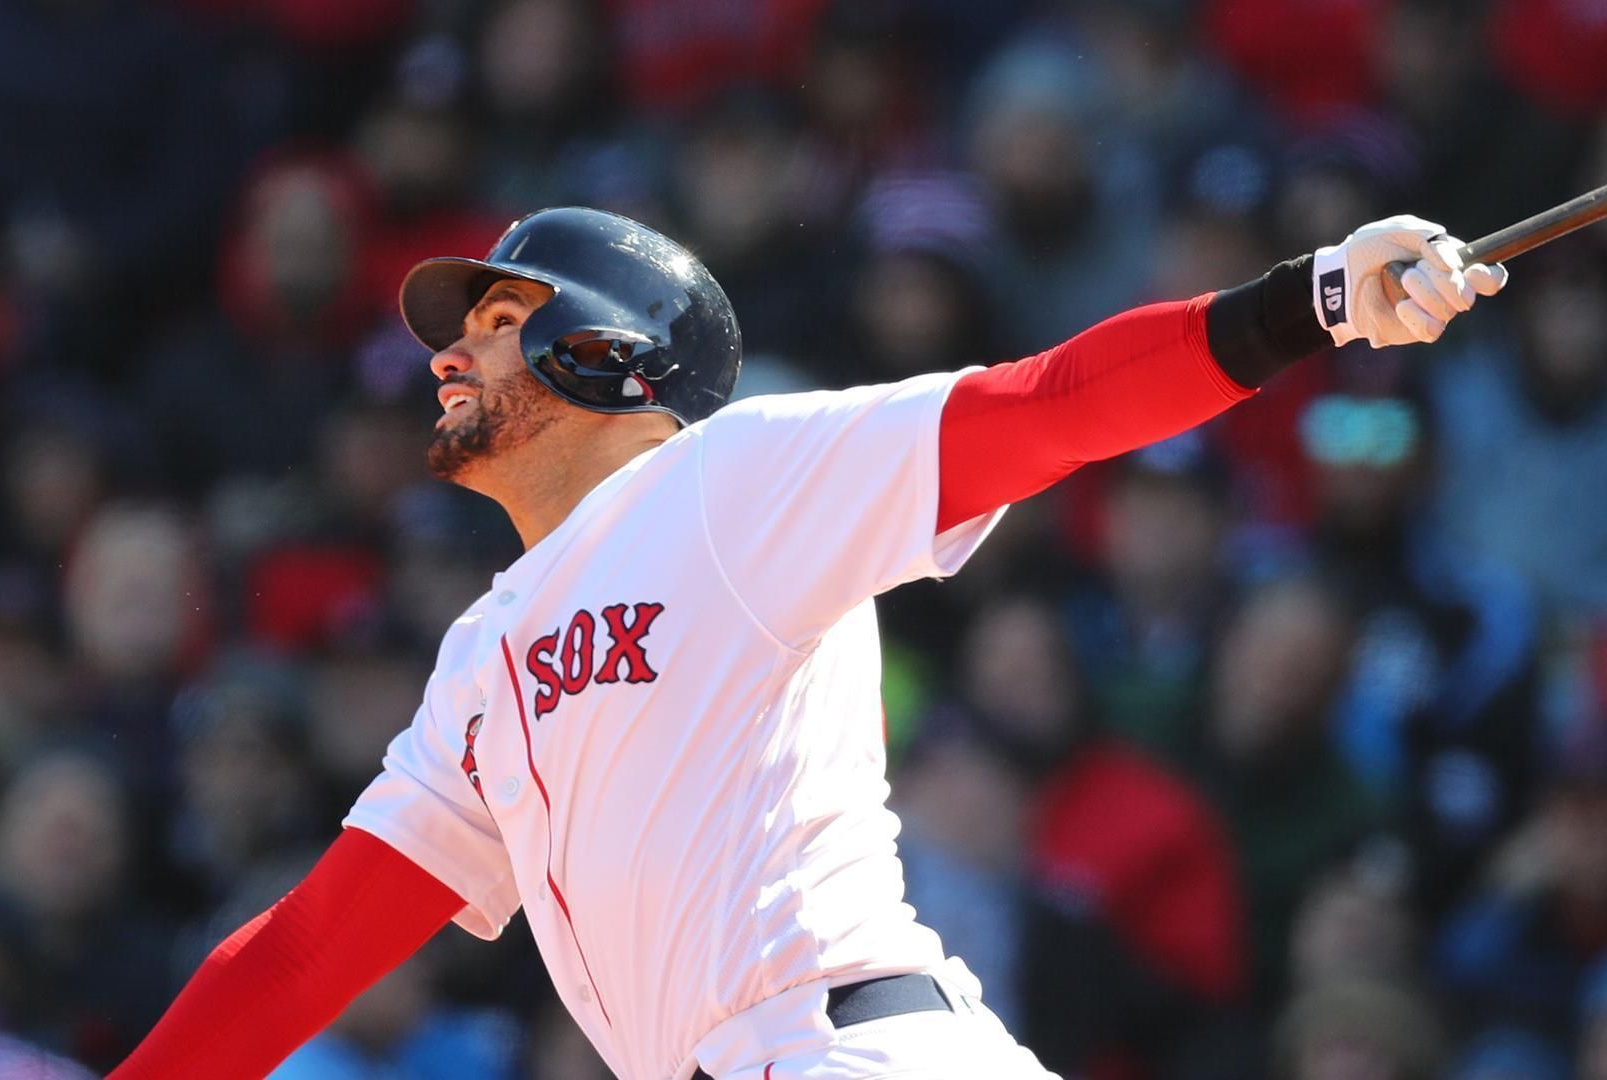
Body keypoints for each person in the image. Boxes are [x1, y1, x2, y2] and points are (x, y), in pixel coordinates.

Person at [111, 206, 1504, 1079]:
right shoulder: (481, 658)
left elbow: (1040, 408)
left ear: (607, 356)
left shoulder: (736, 478)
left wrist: (1307, 300)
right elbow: (305, 955)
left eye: (493, 319)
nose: (445, 354)